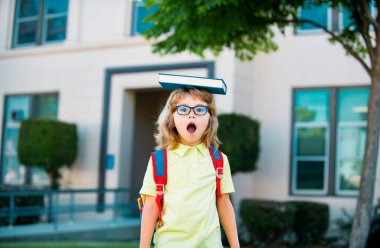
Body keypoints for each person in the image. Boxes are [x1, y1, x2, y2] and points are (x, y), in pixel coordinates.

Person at [139, 86, 240, 248]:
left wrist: (235, 245)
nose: (191, 114)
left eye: (200, 109)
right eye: (183, 109)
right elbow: (150, 207)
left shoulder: (219, 160)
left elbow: (224, 204)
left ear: (210, 119)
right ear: (171, 118)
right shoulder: (160, 160)